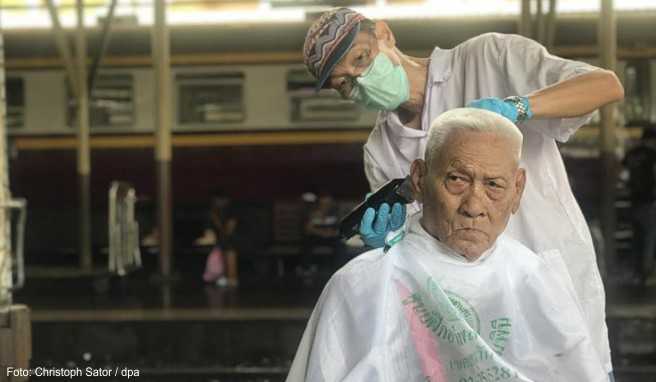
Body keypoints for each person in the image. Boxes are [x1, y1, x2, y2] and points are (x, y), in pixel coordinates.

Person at [302, 8, 624, 374]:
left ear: (385, 34)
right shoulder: (381, 150)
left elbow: (606, 85)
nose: (360, 79)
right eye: (345, 83)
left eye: (361, 59)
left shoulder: (489, 59)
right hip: (467, 318)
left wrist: (518, 107)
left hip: (547, 289)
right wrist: (392, 242)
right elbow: (421, 249)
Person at [287, 108, 608, 382]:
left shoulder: (536, 278)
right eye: (457, 179)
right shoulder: (360, 283)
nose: (474, 205)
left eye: (494, 185)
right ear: (419, 178)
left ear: (518, 190)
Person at [623, 127, 656, 285]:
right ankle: (645, 274)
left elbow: (622, 173)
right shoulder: (652, 155)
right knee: (649, 239)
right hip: (649, 202)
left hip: (633, 201)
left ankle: (635, 272)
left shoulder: (632, 153)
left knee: (636, 238)